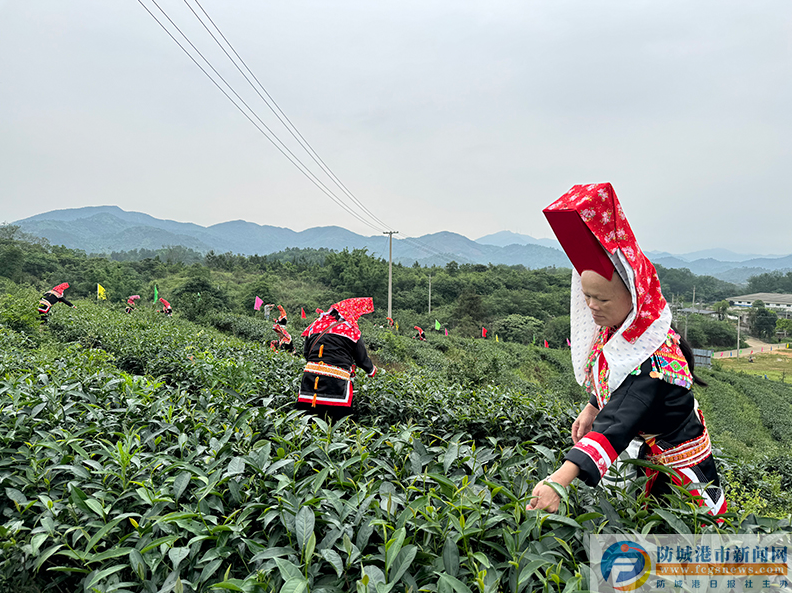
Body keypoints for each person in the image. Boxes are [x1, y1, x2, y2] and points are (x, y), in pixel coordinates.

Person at [529, 183, 726, 517]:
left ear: (634, 300)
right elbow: (614, 384)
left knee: (676, 539)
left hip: (677, 471)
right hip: (647, 453)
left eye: (602, 299)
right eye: (587, 296)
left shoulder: (654, 364)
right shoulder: (627, 331)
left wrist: (560, 479)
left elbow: (618, 419)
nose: (592, 307)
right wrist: (593, 406)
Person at [296, 297, 377, 421]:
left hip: (310, 380)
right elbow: (361, 359)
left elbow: (307, 354)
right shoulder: (350, 329)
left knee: (307, 422)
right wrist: (371, 371)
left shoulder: (314, 325)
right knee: (337, 423)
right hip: (335, 382)